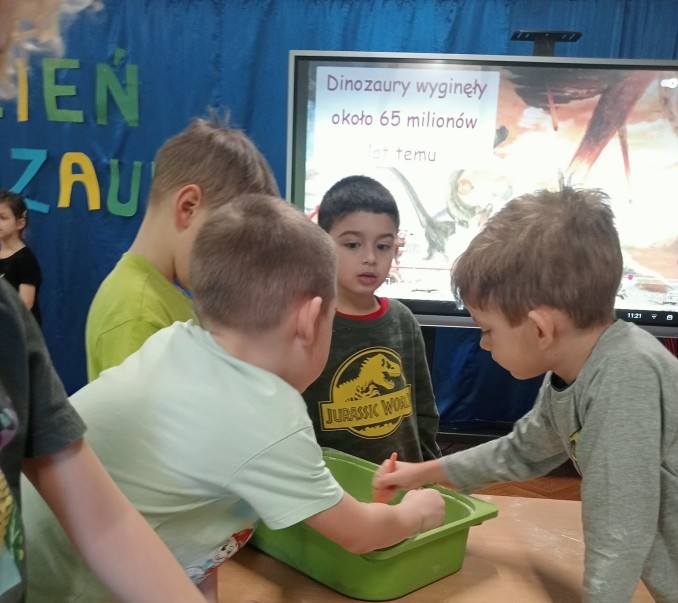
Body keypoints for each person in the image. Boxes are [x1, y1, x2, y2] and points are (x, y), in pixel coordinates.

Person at [7, 193, 445, 603]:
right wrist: (420, 511)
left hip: (24, 584)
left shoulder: (181, 343)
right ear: (311, 319)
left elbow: (185, 508)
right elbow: (359, 533)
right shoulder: (266, 412)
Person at [373, 184, 678, 603]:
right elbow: (521, 451)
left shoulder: (625, 377)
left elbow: (620, 521)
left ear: (540, 328)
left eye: (487, 330)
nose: (484, 344)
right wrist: (422, 473)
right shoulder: (578, 370)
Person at [84, 111, 279, 381]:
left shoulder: (164, 296)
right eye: (229, 246)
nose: (231, 269)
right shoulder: (137, 311)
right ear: (188, 208)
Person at [302, 175, 441, 464]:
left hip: (403, 482)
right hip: (334, 487)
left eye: (383, 246)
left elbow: (424, 411)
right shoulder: (308, 322)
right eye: (353, 245)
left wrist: (428, 472)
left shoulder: (403, 320)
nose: (370, 258)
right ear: (321, 243)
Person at [0, 190, 43, 325]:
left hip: (20, 331)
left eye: (2, 218)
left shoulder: (25, 259)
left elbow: (25, 305)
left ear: (20, 223)